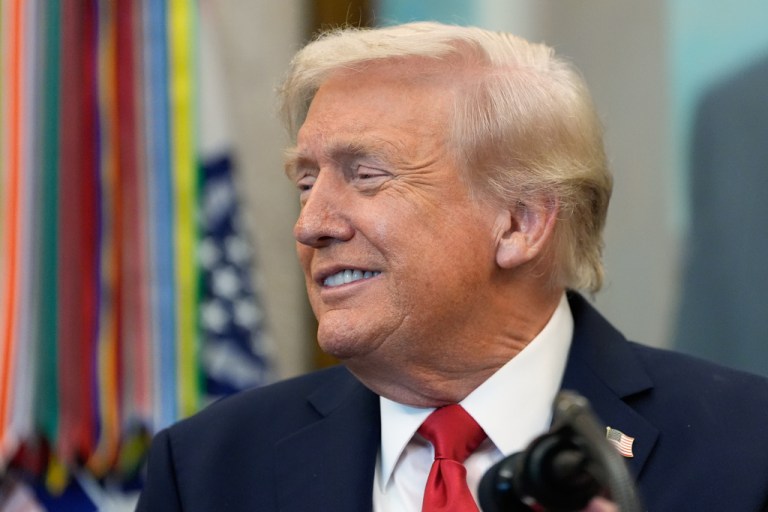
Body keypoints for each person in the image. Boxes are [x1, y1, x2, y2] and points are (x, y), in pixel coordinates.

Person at [136, 22, 768, 511]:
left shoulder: (747, 448)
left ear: (520, 223)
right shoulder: (207, 470)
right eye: (306, 184)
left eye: (366, 175)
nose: (311, 224)